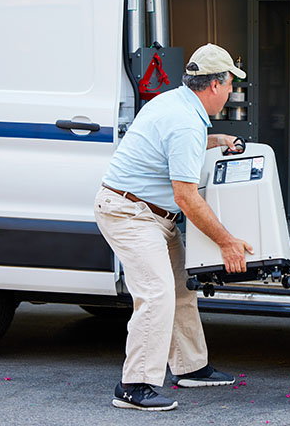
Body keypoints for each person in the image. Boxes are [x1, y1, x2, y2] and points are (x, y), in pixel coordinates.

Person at [94, 43, 254, 411]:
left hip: (150, 214)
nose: (232, 91)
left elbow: (179, 150)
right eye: (231, 83)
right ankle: (134, 386)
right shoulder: (185, 121)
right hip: (131, 214)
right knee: (157, 293)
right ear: (214, 86)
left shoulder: (176, 104)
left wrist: (219, 141)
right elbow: (187, 196)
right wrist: (227, 242)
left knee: (180, 289)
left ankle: (190, 368)